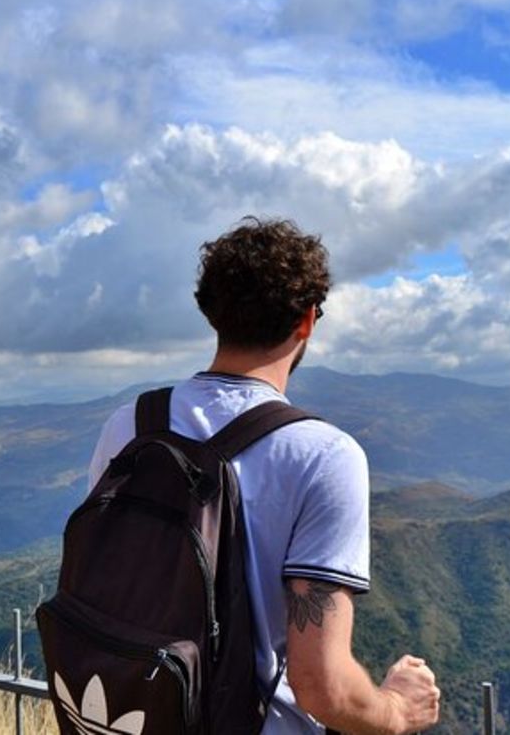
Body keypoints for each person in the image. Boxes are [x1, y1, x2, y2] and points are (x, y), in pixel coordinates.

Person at [86, 218, 441, 735]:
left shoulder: (129, 426)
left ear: (212, 313)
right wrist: (398, 709)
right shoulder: (324, 455)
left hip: (130, 717)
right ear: (307, 320)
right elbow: (321, 686)